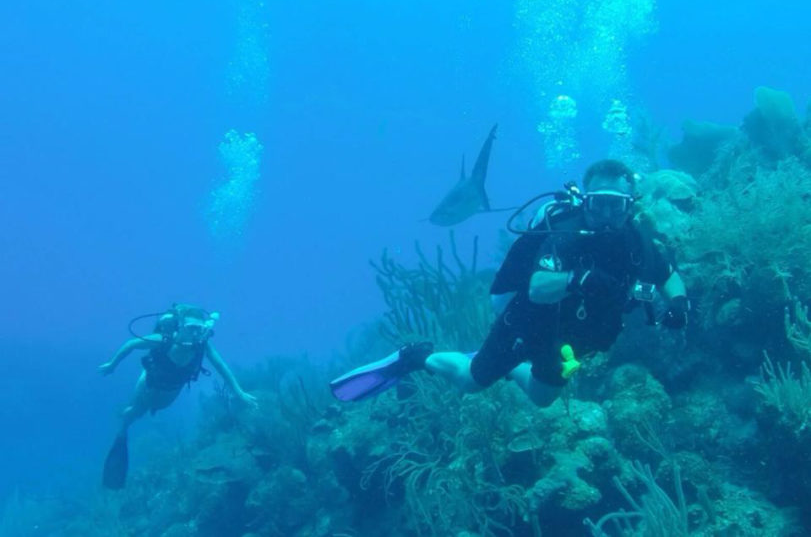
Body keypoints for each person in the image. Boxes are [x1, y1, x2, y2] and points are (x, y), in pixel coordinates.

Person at [330, 160, 688, 406]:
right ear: (586, 202)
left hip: (574, 335)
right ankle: (416, 357)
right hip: (530, 321)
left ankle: (513, 366)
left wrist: (677, 303)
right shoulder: (564, 234)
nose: (607, 215)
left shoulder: (637, 242)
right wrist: (579, 277)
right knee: (472, 381)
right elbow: (537, 287)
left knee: (542, 399)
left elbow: (668, 275)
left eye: (617, 205)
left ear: (630, 205)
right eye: (598, 204)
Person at [98, 303, 257, 489]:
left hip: (169, 394)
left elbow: (221, 367)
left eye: (199, 329)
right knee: (133, 412)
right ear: (180, 326)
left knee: (143, 410)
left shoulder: (202, 347)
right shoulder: (165, 340)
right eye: (190, 328)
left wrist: (239, 392)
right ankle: (122, 432)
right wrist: (112, 364)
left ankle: (127, 422)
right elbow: (131, 344)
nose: (195, 334)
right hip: (147, 385)